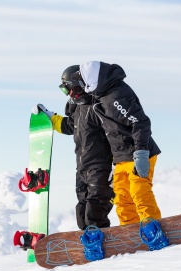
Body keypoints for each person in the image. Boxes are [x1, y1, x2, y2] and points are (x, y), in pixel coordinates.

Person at [58, 61, 162, 226]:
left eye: (78, 88)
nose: (73, 94)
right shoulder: (100, 97)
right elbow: (77, 126)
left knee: (139, 192)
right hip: (121, 156)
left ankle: (153, 226)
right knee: (122, 198)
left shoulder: (115, 97)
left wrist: (141, 152)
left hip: (138, 152)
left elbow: (140, 122)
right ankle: (130, 232)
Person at [35, 65, 114, 230]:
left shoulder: (99, 107)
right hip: (82, 168)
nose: (70, 94)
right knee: (82, 213)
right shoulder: (78, 110)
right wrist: (48, 116)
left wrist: (116, 165)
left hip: (101, 167)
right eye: (66, 90)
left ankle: (101, 244)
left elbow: (116, 135)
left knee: (95, 210)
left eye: (72, 88)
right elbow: (68, 126)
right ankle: (88, 243)